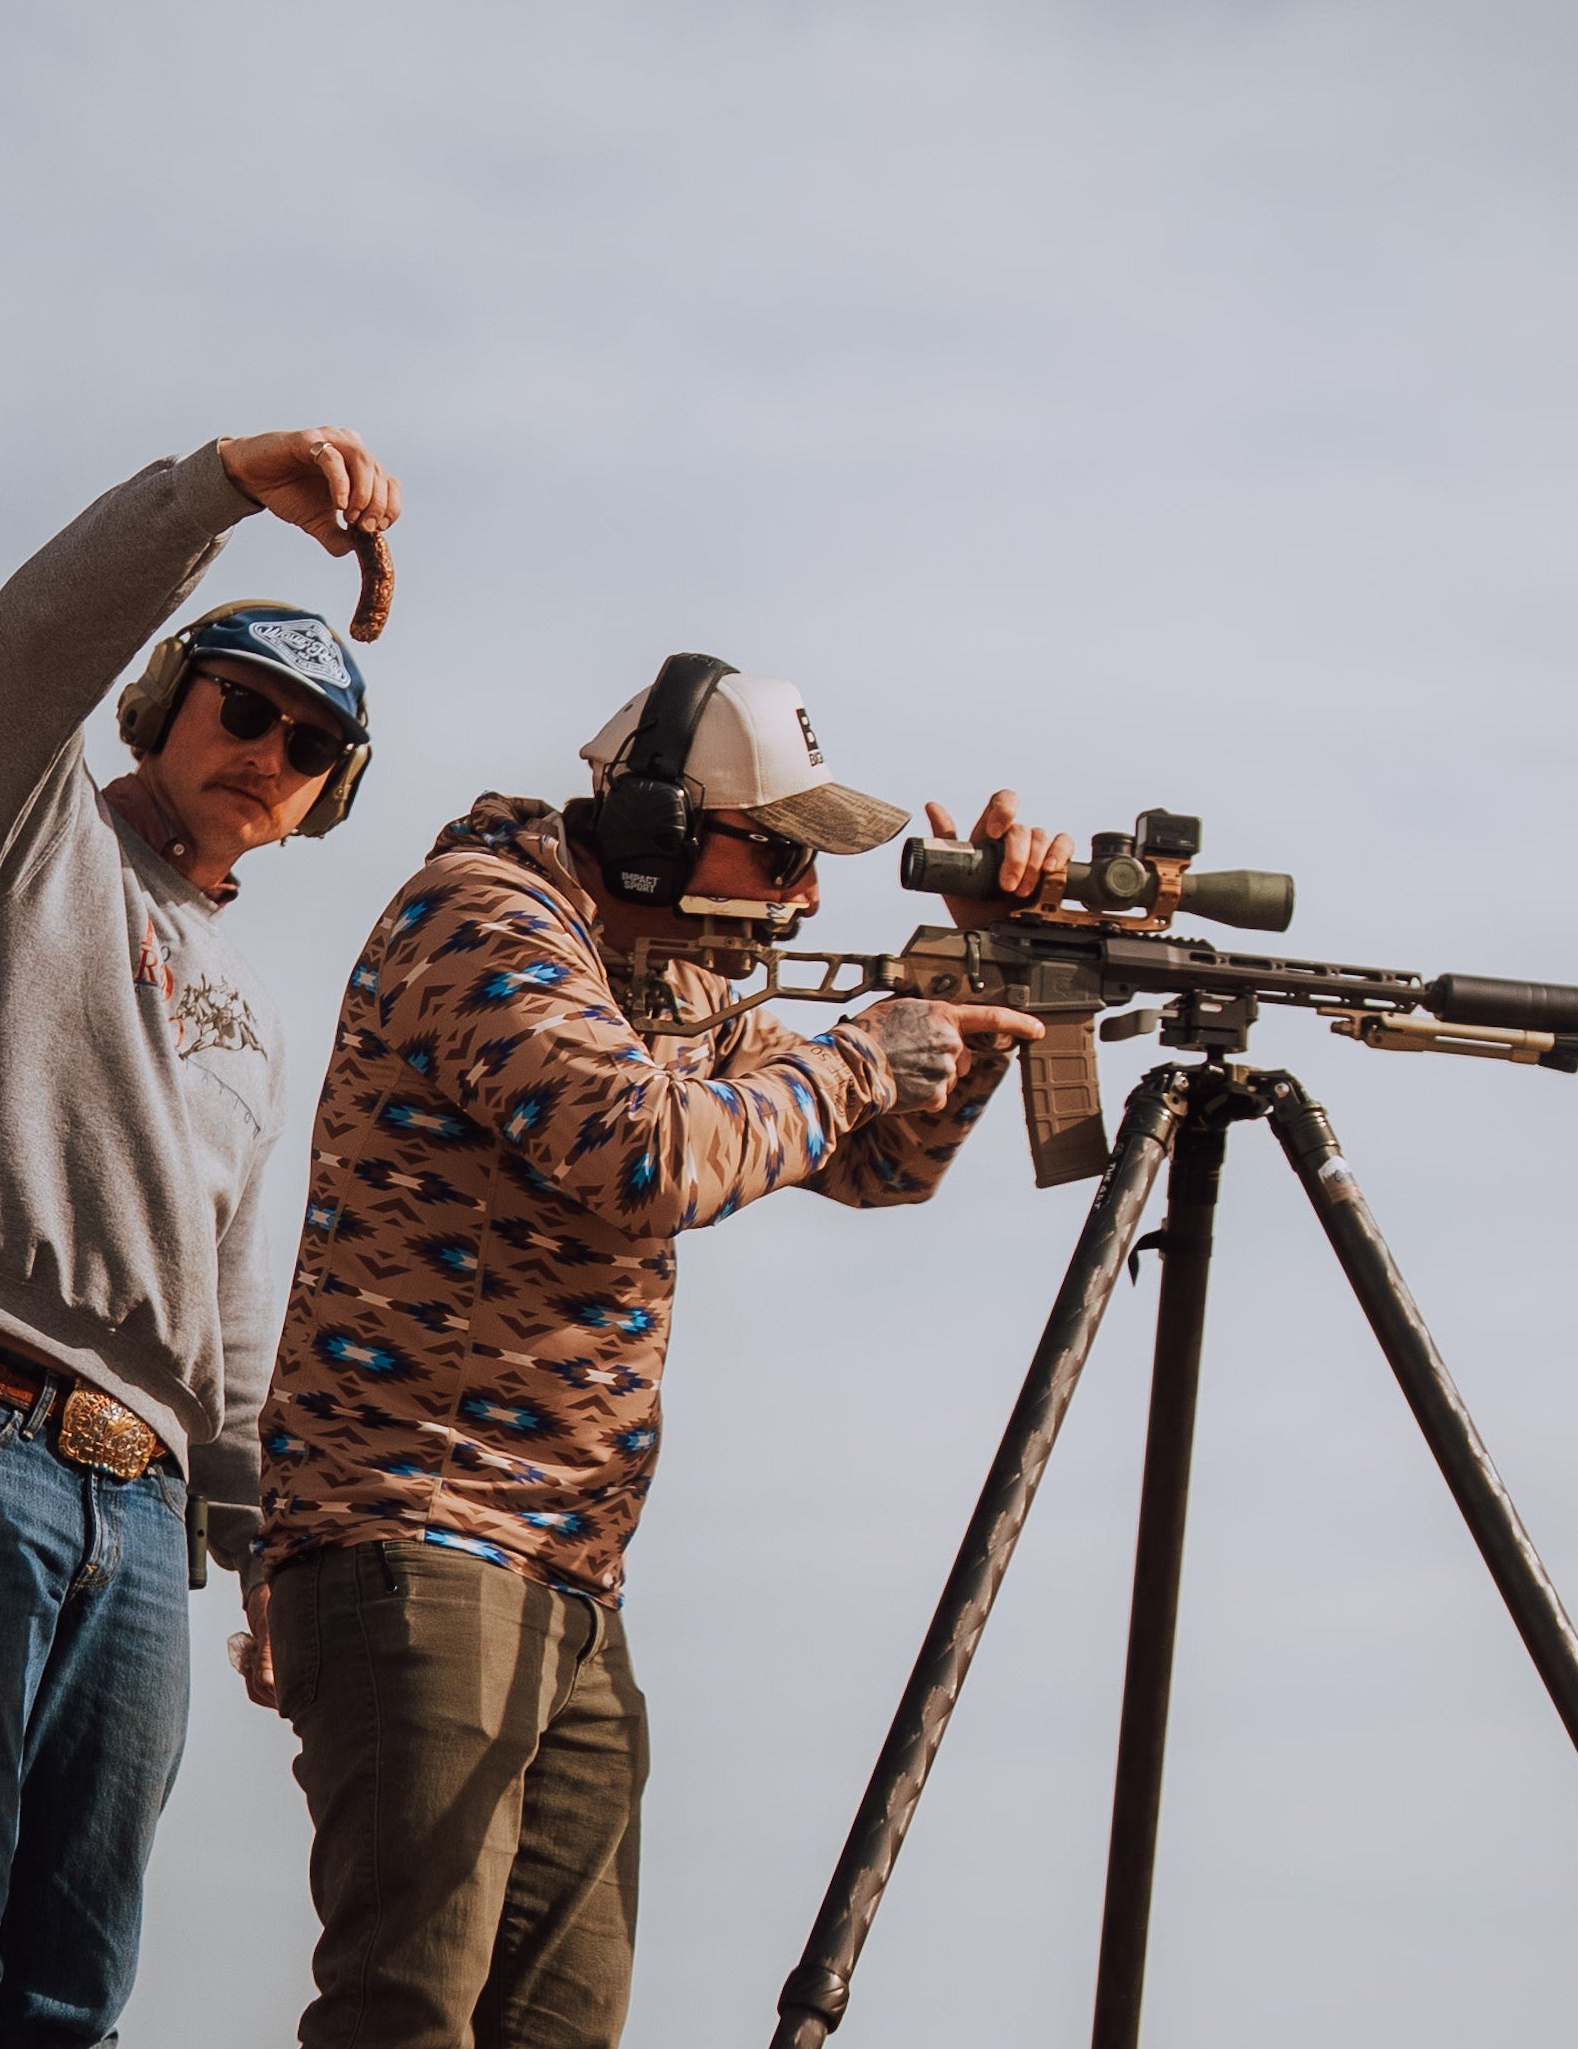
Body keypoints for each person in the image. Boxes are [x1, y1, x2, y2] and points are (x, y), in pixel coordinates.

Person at [243, 651, 1071, 2048]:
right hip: (423, 1531)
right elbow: (640, 1153)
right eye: (783, 854)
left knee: (562, 2026)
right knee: (407, 2015)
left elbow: (879, 1164)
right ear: (658, 832)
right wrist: (865, 1049)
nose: (806, 897)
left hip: (564, 1564)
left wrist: (971, 964)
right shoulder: (483, 916)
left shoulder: (662, 973)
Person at [0, 425, 400, 2049]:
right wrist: (222, 486)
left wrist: (262, 1537)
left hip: (142, 1508)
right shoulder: (33, 835)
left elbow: (237, 1293)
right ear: (167, 702)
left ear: (326, 795)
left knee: (70, 2003)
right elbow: (31, 634)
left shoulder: (258, 1016)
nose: (268, 747)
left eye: (310, 742)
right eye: (245, 705)